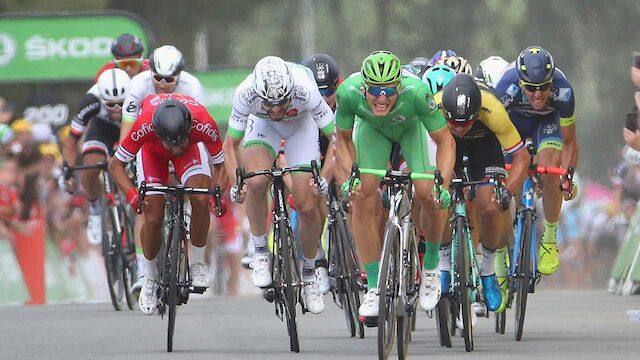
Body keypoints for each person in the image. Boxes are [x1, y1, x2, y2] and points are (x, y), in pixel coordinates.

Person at [334, 50, 455, 317]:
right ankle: (375, 287)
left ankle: (432, 265)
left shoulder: (417, 92)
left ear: (399, 86)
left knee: (428, 193)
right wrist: (347, 178)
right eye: (375, 90)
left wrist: (443, 185)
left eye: (389, 90)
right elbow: (342, 141)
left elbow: (446, 140)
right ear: (364, 87)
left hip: (411, 130)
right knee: (362, 195)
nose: (382, 97)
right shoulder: (348, 93)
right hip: (372, 133)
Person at [223, 56, 334, 314]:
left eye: (282, 102)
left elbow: (336, 138)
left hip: (301, 127)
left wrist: (324, 178)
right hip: (262, 128)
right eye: (269, 104)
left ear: (291, 92)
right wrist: (235, 181)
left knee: (307, 206)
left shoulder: (306, 89)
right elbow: (230, 144)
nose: (276, 110)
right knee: (257, 180)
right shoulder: (245, 93)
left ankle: (309, 273)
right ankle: (260, 250)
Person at [109, 95, 226, 314]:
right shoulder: (144, 125)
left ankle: (197, 263)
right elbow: (116, 165)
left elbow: (221, 164)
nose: (175, 148)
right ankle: (150, 277)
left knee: (200, 198)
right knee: (152, 218)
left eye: (180, 141)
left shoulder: (203, 123)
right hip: (152, 154)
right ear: (157, 132)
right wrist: (132, 194)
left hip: (192, 153)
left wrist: (216, 195)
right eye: (170, 144)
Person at [436, 73, 529, 314]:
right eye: (453, 122)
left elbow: (521, 157)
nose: (458, 128)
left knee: (489, 205)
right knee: (439, 195)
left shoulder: (493, 111)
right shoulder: (434, 106)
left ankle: (487, 270)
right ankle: (444, 264)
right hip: (446, 147)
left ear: (477, 114)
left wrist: (508, 192)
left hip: (484, 146)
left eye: (465, 122)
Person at [495, 46, 579, 275]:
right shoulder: (505, 88)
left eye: (543, 87)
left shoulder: (563, 91)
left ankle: (550, 239)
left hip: (547, 124)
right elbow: (491, 131)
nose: (538, 94)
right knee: (504, 181)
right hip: (514, 124)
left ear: (552, 82)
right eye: (531, 88)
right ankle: (500, 252)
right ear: (520, 83)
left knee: (549, 171)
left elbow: (570, 142)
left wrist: (567, 175)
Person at [62, 68, 131, 246]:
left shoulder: (137, 93)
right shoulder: (91, 101)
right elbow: (71, 142)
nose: (116, 108)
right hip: (102, 130)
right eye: (110, 104)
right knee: (92, 164)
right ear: (101, 98)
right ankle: (94, 208)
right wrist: (68, 172)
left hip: (130, 126)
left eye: (121, 103)